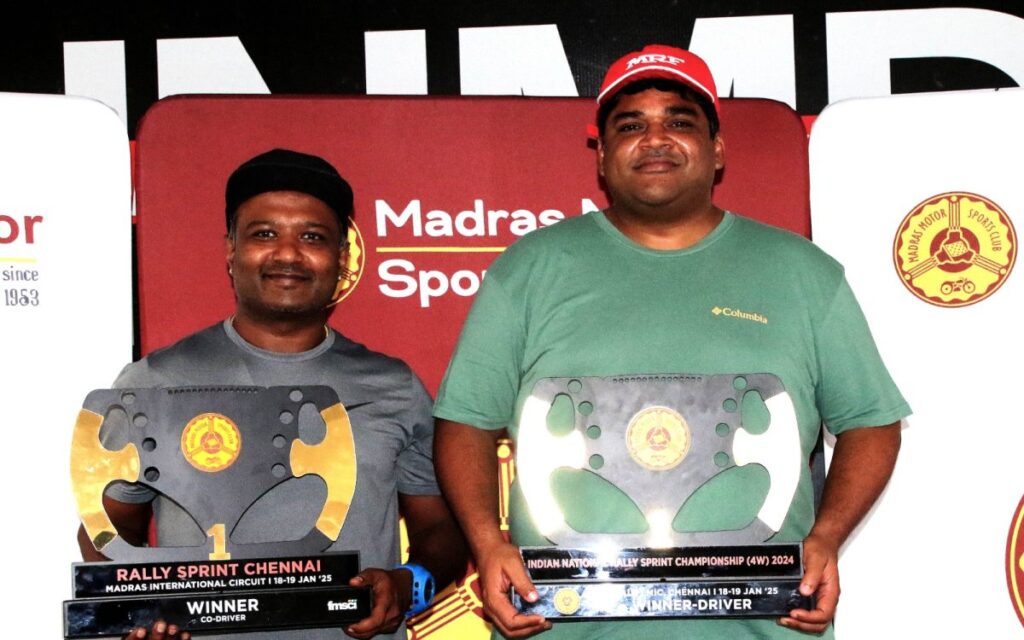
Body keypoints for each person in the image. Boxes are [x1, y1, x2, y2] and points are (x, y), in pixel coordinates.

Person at [432, 44, 909, 639]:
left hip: (761, 625)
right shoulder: (529, 269)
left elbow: (871, 422)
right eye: (630, 126)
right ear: (601, 154)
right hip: (567, 623)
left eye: (679, 122)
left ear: (718, 150)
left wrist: (827, 536)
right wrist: (486, 543)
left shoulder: (802, 272)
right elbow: (465, 422)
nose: (655, 139)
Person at [76, 148, 467, 640]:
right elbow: (107, 530)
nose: (287, 254)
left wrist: (407, 586)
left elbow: (441, 531)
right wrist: (136, 612)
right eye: (264, 234)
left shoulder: (393, 385)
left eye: (312, 237)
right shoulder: (154, 381)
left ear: (342, 257)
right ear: (230, 251)